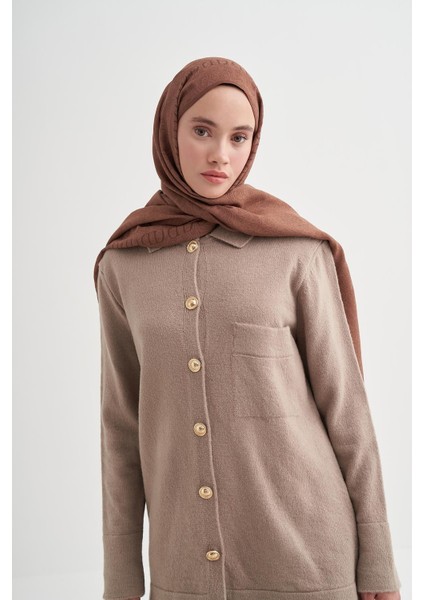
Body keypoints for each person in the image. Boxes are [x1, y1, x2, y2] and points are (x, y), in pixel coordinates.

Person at [94, 57, 402, 600]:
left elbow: (347, 411)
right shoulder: (123, 264)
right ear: (168, 131)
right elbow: (121, 427)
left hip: (307, 563)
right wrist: (121, 576)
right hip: (184, 571)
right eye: (202, 131)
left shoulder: (298, 252)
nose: (221, 154)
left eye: (239, 137)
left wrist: (377, 561)